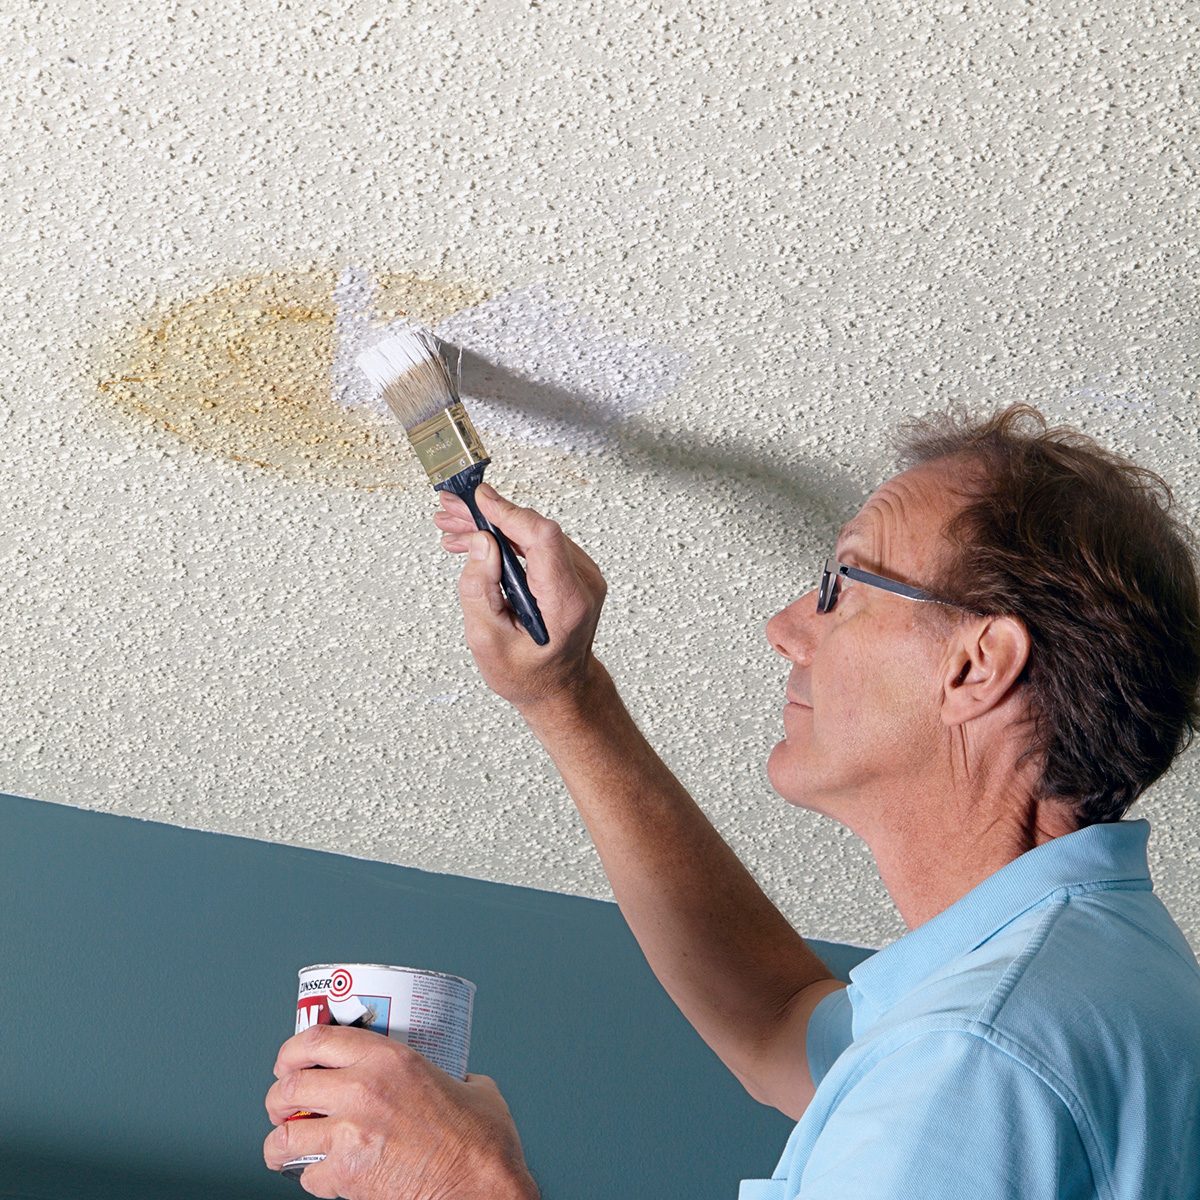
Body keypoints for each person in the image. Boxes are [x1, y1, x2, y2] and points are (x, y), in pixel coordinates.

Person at [263, 403, 1200, 1199]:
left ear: (975, 665)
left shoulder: (971, 1062)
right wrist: (567, 696)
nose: (786, 627)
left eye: (841, 585)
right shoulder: (1090, 962)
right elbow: (778, 1018)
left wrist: (463, 1183)